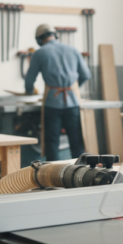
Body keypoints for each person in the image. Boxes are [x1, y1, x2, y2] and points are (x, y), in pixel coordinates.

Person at [25, 24, 91, 161]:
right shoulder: (72, 50)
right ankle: (80, 175)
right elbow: (85, 74)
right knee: (76, 141)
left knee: (52, 142)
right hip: (73, 102)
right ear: (55, 35)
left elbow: (29, 79)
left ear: (39, 39)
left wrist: (29, 92)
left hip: (52, 103)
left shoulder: (40, 53)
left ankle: (52, 177)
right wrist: (73, 89)